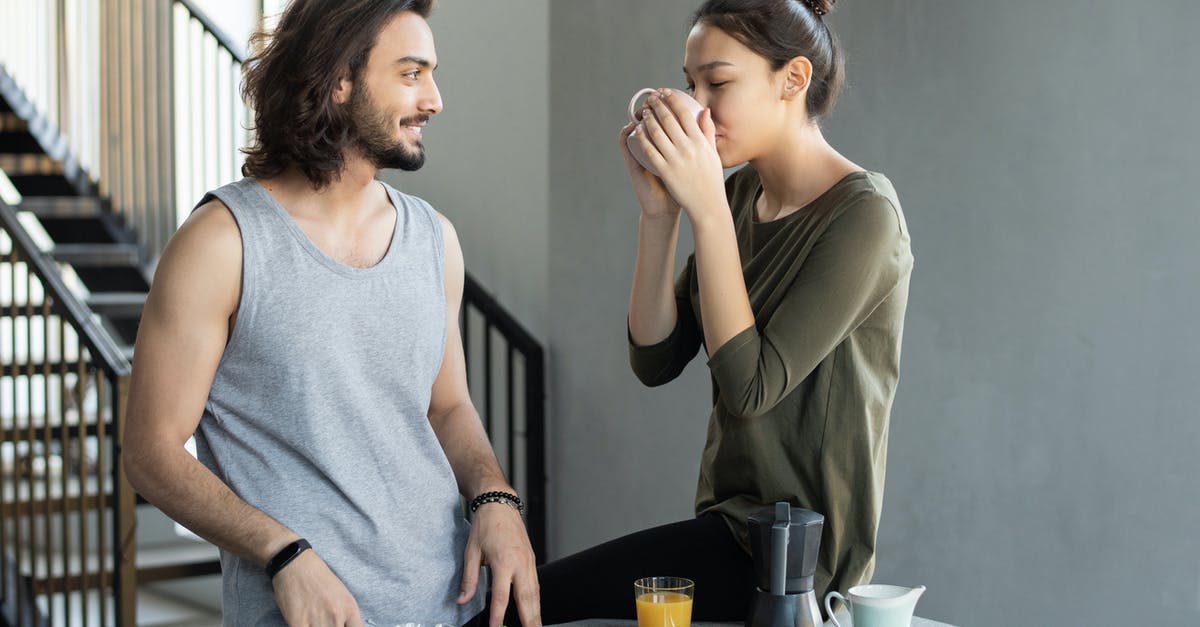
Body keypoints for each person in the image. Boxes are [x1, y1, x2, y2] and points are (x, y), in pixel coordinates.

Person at [122, 1, 540, 625]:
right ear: (340, 79)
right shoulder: (223, 243)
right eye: (411, 73)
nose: (434, 100)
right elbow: (150, 451)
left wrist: (494, 496)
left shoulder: (434, 239)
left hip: (452, 605)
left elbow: (446, 406)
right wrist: (282, 552)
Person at [517, 0, 914, 622]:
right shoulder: (736, 196)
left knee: (529, 604)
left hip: (799, 559)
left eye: (718, 83)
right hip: (728, 528)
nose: (698, 105)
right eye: (690, 83)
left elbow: (750, 386)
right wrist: (661, 216)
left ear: (793, 80)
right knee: (528, 603)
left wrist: (704, 210)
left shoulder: (864, 217)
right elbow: (654, 357)